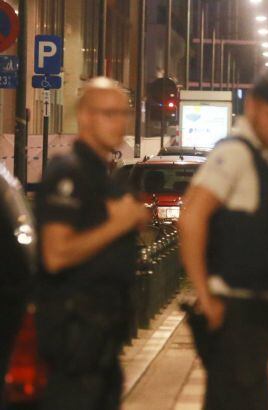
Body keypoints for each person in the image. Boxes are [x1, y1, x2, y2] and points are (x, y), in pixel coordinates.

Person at [179, 67, 268, 409]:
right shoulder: (234, 154)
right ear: (253, 108)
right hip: (235, 318)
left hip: (253, 317)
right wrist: (205, 296)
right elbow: (191, 218)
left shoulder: (259, 158)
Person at [34, 77, 150, 410]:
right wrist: (119, 224)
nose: (119, 123)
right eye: (108, 114)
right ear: (84, 117)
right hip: (73, 348)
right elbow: (56, 254)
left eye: (123, 114)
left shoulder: (102, 177)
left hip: (101, 346)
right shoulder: (68, 173)